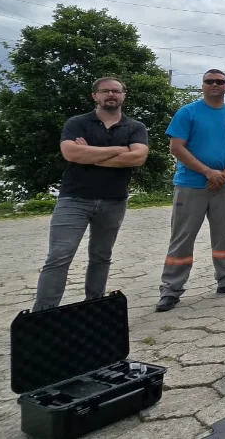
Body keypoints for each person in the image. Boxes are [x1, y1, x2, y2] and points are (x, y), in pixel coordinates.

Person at [33, 77, 149, 311]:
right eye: (105, 91)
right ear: (94, 95)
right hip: (74, 199)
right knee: (59, 256)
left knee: (101, 255)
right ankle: (43, 313)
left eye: (117, 91)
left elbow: (138, 158)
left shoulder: (135, 127)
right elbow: (71, 154)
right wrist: (119, 150)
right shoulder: (77, 123)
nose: (111, 95)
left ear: (124, 95)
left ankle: (95, 304)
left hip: (114, 200)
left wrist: (90, 154)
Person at [156, 69, 225, 312]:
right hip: (191, 185)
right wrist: (208, 172)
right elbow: (176, 147)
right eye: (210, 81)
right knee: (182, 238)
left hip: (224, 186)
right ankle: (171, 289)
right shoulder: (188, 112)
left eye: (220, 81)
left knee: (223, 236)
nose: (215, 85)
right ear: (203, 85)